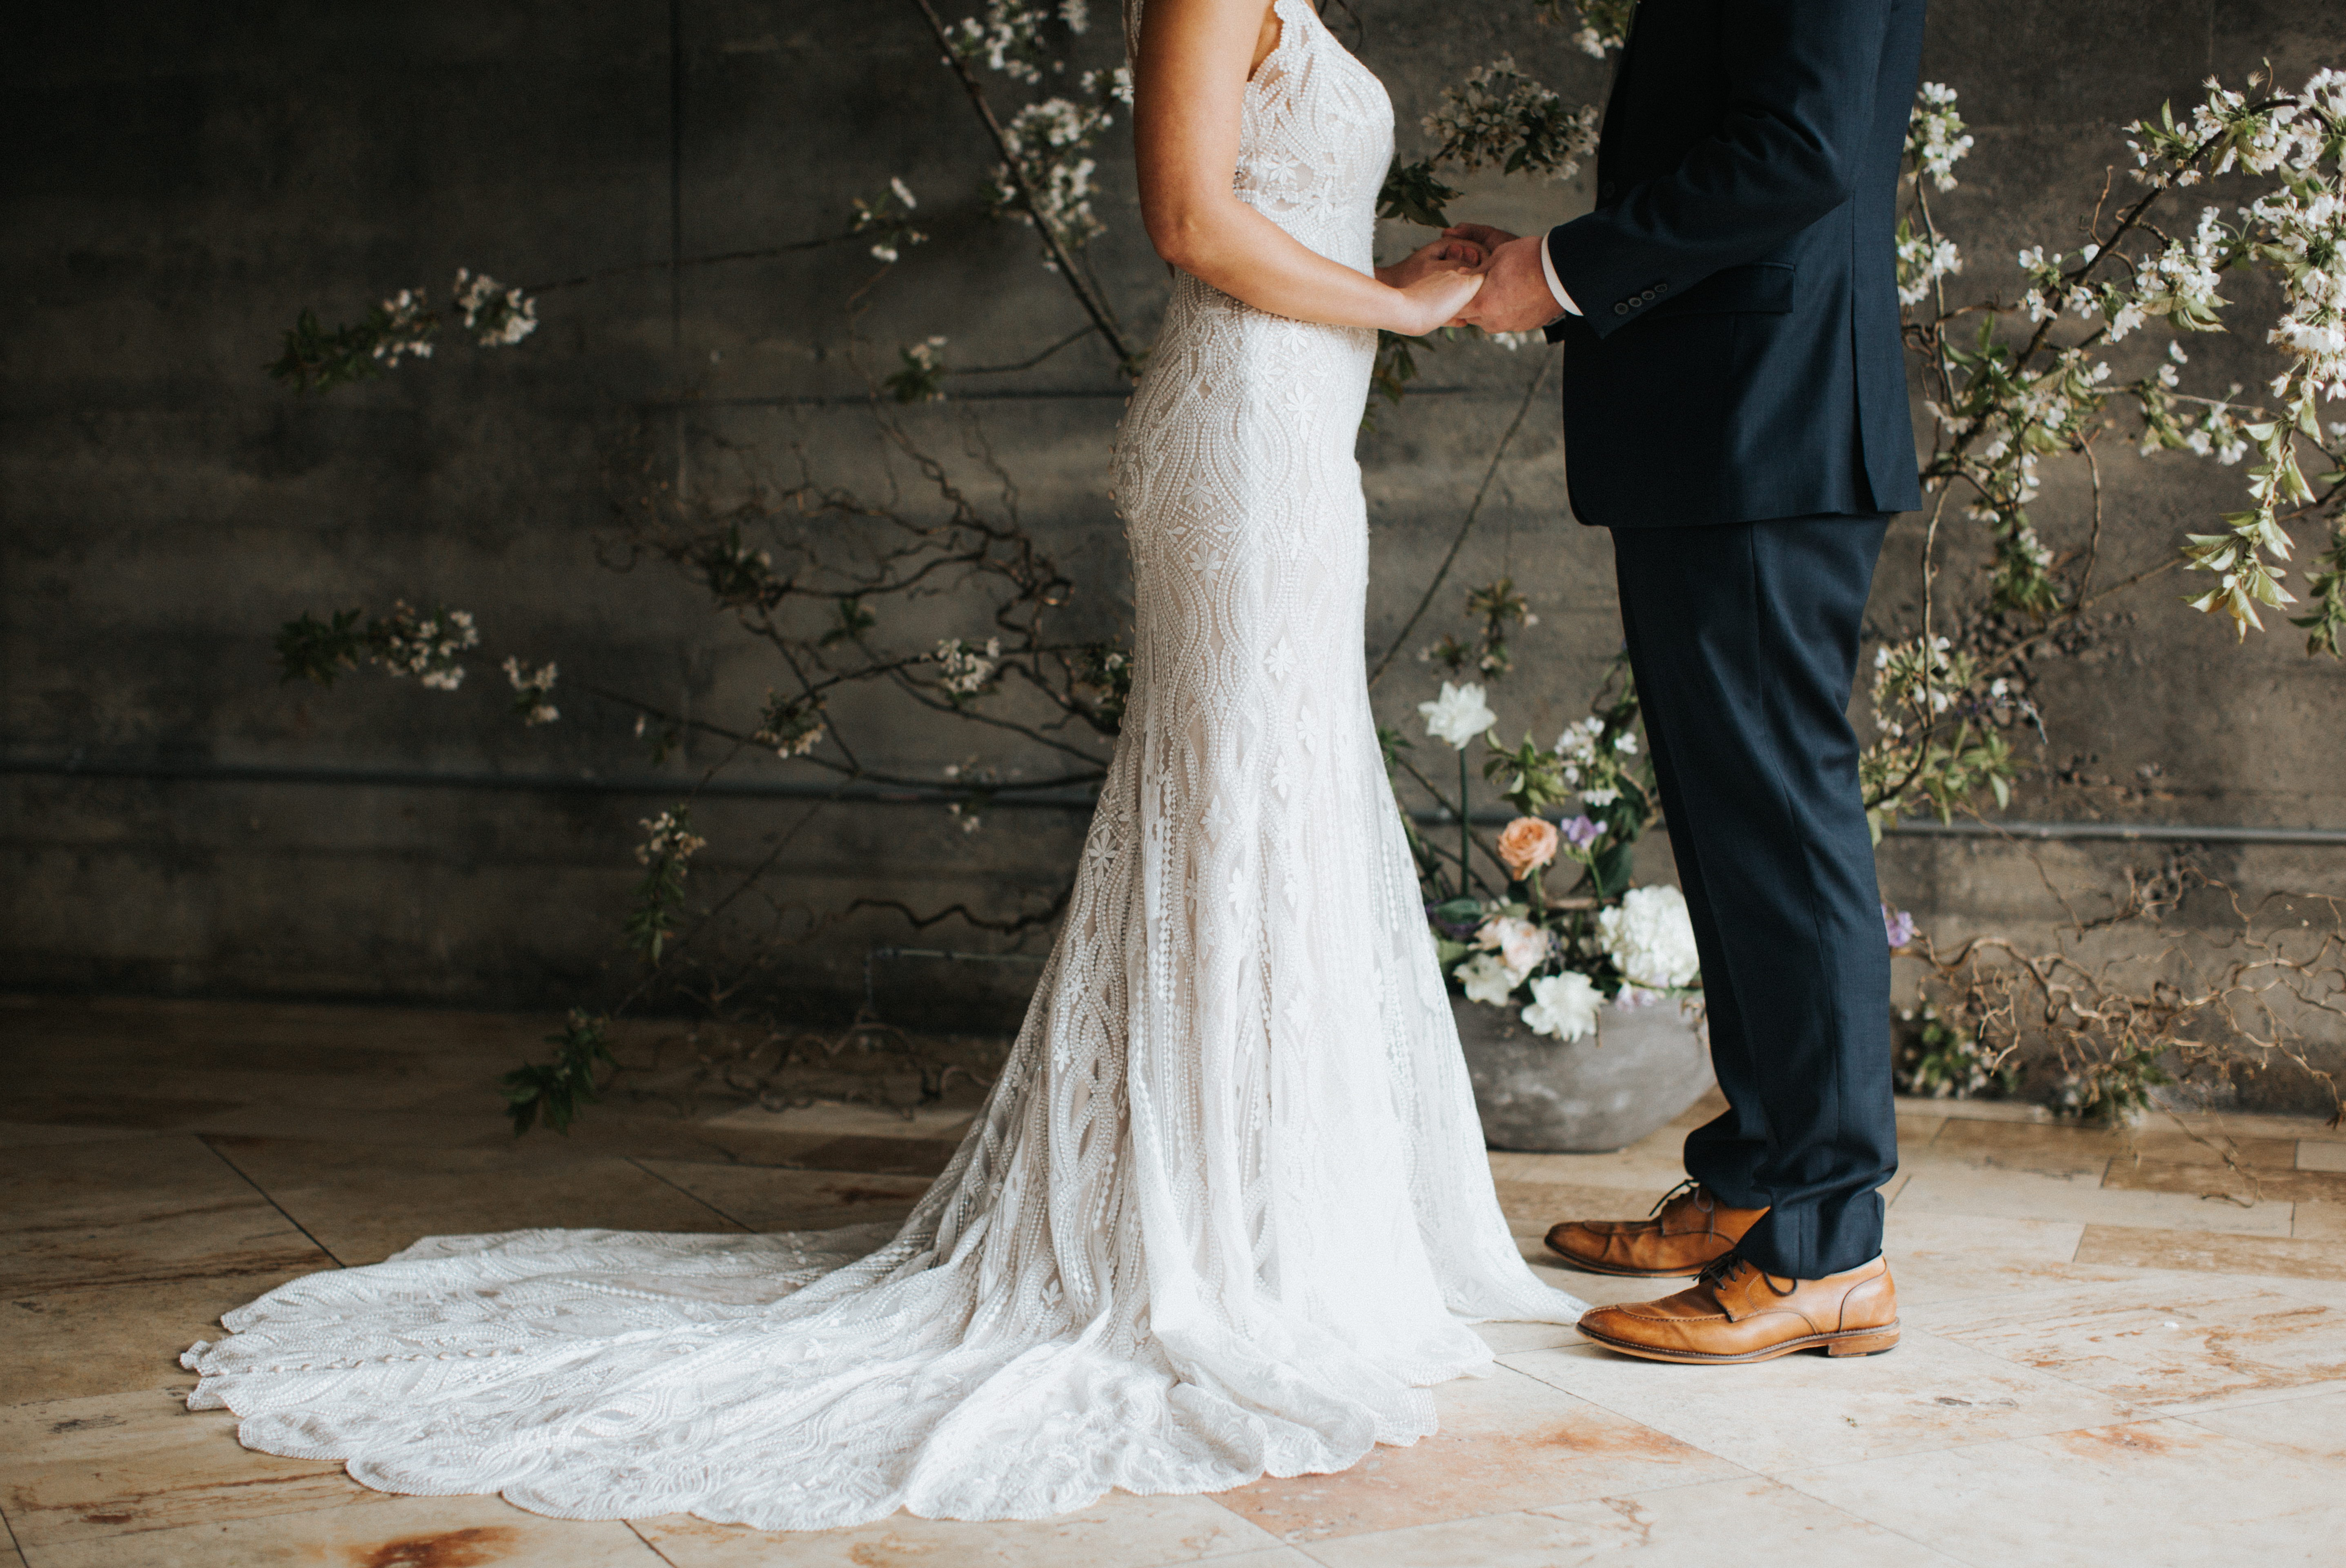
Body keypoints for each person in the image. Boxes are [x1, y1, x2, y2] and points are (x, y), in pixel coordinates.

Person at [180, 0, 1580, 1530]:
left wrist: (1391, 284)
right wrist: (1408, 311)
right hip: (1239, 428)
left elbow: (1270, 204)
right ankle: (1198, 1244)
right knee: (1238, 800)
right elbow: (1188, 221)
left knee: (1279, 800)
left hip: (1301, 427)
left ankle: (1272, 1220)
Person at [1448, 0, 1927, 1364]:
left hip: (1768, 423)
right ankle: (1759, 1184)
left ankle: (1829, 1248)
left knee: (1779, 826)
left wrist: (1564, 268)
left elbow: (1799, 149)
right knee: (1734, 829)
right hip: (1725, 422)